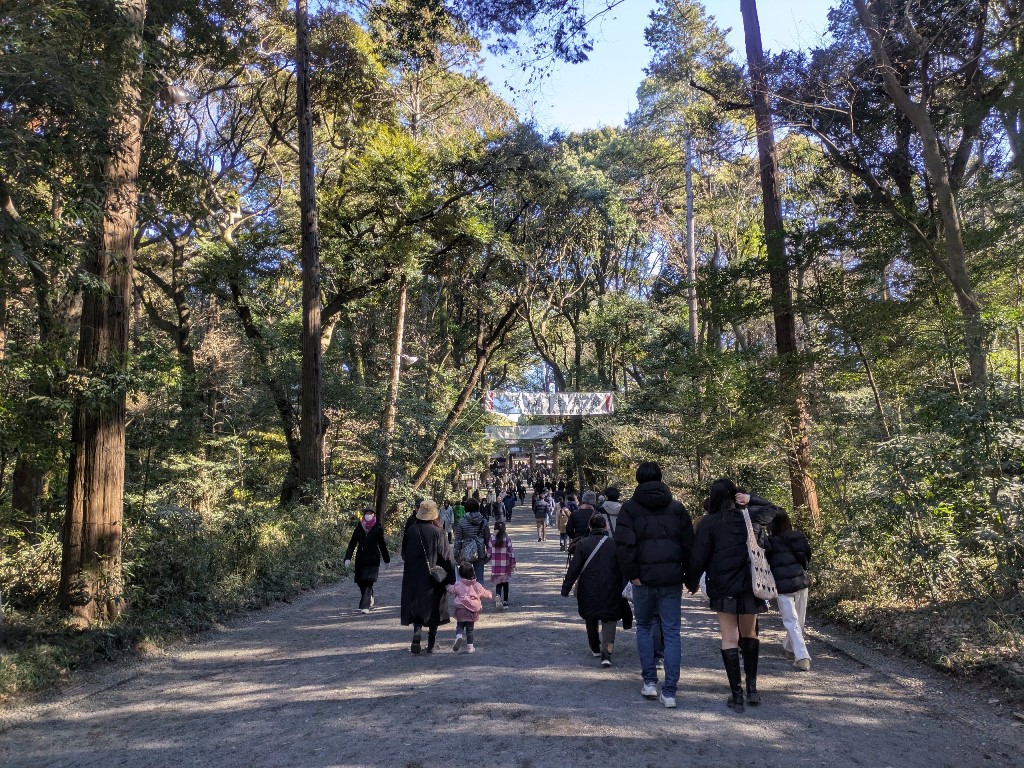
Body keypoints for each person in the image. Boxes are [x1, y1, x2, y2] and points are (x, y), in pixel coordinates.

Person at [688, 478, 779, 711]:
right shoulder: (751, 517)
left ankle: (736, 695)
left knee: (729, 637)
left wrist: (690, 581)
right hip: (751, 585)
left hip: (723, 586)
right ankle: (753, 690)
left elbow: (699, 556)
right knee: (750, 634)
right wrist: (751, 499)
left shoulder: (709, 523)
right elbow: (773, 510)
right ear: (734, 495)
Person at [614, 461, 694, 709]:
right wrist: (689, 577)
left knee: (645, 628)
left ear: (638, 479)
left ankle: (650, 682)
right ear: (660, 478)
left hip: (643, 580)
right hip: (671, 579)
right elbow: (690, 546)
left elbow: (624, 546)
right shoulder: (677, 509)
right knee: (672, 633)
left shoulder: (629, 510)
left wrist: (632, 574)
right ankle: (669, 691)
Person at [561, 515, 627, 667]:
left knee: (590, 617)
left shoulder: (583, 544)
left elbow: (574, 568)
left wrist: (566, 587)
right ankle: (607, 653)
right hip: (611, 587)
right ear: (606, 527)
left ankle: (595, 647)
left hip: (587, 587)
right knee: (610, 620)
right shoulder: (614, 544)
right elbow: (623, 568)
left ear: (590, 527)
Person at [401, 498, 455, 654]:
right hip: (434, 577)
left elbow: (404, 553)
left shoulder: (411, 530)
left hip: (414, 576)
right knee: (434, 609)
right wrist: (450, 579)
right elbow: (446, 557)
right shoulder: (439, 532)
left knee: (417, 606)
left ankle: (417, 631)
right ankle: (431, 643)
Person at [767, 510, 812, 671]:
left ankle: (802, 656)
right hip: (800, 582)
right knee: (798, 620)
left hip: (782, 586)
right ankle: (790, 649)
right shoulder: (798, 536)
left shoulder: (769, 542)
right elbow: (807, 556)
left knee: (791, 621)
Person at [344, 506, 391, 613]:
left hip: (373, 559)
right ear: (364, 515)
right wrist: (347, 558)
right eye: (366, 513)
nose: (368, 515)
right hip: (360, 559)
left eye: (371, 513)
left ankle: (365, 606)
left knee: (368, 582)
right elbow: (352, 543)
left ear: (374, 515)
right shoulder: (359, 527)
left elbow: (382, 545)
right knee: (360, 582)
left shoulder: (378, 528)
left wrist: (386, 559)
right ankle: (370, 596)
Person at [447, 561, 492, 653]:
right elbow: (485, 593)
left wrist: (446, 585)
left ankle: (459, 636)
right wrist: (490, 594)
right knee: (470, 629)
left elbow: (451, 589)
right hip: (472, 610)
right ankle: (470, 648)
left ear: (460, 574)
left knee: (460, 625)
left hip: (461, 609)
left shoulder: (458, 585)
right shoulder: (476, 585)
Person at [455, 498, 491, 582]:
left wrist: (456, 555)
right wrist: (489, 555)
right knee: (480, 578)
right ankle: (478, 594)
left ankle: (467, 595)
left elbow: (458, 540)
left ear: (466, 508)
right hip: (480, 552)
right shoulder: (483, 522)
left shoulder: (462, 522)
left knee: (466, 579)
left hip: (465, 552)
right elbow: (488, 540)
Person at [488, 521, 516, 609]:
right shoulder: (507, 538)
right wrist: (513, 562)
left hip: (496, 567)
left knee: (498, 584)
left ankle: (498, 597)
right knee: (506, 584)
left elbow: (488, 553)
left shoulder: (492, 539)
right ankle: (506, 602)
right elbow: (511, 552)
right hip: (506, 566)